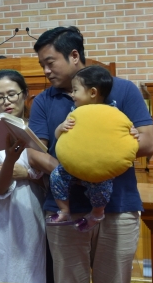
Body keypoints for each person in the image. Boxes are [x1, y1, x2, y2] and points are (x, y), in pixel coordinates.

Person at [28, 26, 153, 283]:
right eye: (42, 65)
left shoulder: (123, 90)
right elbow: (35, 152)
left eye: (50, 62)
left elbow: (148, 142)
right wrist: (74, 170)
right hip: (65, 210)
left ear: (74, 56)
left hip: (118, 208)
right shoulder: (43, 101)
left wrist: (100, 163)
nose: (46, 71)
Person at [47, 65, 138, 232]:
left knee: (102, 187)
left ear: (93, 92)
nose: (72, 94)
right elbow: (59, 136)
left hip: (100, 165)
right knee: (56, 176)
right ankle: (64, 210)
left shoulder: (113, 113)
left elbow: (124, 135)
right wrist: (61, 127)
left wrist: (133, 133)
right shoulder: (74, 113)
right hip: (73, 163)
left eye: (75, 90)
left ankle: (97, 213)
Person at [0, 69, 46, 283]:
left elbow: (50, 173)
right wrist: (10, 162)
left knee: (32, 271)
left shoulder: (38, 129)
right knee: (2, 270)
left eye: (12, 94)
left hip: (33, 209)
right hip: (2, 216)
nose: (6, 101)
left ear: (24, 94)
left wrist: (26, 173)